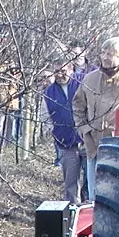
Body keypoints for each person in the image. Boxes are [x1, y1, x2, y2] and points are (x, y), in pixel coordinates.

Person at [73, 37, 119, 196]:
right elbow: (78, 106)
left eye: (110, 54)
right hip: (94, 148)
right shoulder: (90, 79)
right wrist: (84, 130)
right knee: (95, 198)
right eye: (103, 53)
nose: (105, 57)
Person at [44, 61, 83, 204]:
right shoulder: (49, 92)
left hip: (88, 141)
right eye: (56, 71)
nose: (59, 74)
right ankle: (73, 215)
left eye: (63, 70)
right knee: (70, 184)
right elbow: (46, 116)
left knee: (92, 183)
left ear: (71, 68)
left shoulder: (83, 83)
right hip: (66, 143)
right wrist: (54, 133)